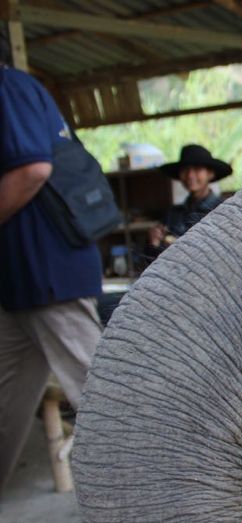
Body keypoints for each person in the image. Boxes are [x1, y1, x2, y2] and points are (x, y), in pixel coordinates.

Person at [0, 42, 103, 494]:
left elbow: (31, 170)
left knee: (106, 400)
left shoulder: (7, 86)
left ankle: (165, 494)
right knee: (6, 402)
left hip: (48, 273)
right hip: (16, 283)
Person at [145, 144, 231, 259]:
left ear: (210, 174)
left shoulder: (223, 211)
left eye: (197, 169)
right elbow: (154, 262)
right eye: (185, 170)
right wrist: (154, 242)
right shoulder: (172, 215)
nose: (190, 175)